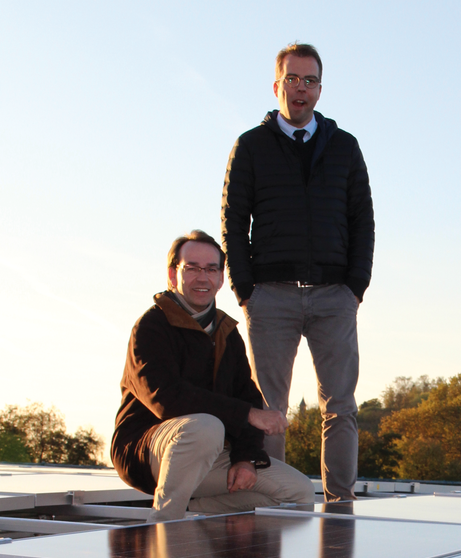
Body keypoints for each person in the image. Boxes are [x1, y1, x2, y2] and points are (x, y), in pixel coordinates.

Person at [221, 42, 375, 501]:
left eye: (310, 81)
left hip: (334, 295)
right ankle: (277, 504)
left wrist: (355, 286)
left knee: (341, 407)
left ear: (321, 90)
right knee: (270, 410)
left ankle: (340, 504)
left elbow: (362, 219)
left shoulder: (345, 147)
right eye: (293, 79)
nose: (301, 88)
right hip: (271, 295)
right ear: (277, 85)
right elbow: (233, 219)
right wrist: (246, 288)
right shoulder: (250, 146)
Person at [111, 230, 315, 521]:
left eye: (211, 269)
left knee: (299, 493)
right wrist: (246, 414)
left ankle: (198, 522)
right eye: (191, 268)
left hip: (212, 452)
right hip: (148, 450)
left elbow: (248, 397)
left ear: (221, 278)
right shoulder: (151, 326)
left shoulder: (227, 334)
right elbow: (166, 399)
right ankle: (163, 530)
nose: (202, 277)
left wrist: (245, 458)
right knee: (206, 427)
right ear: (173, 275)